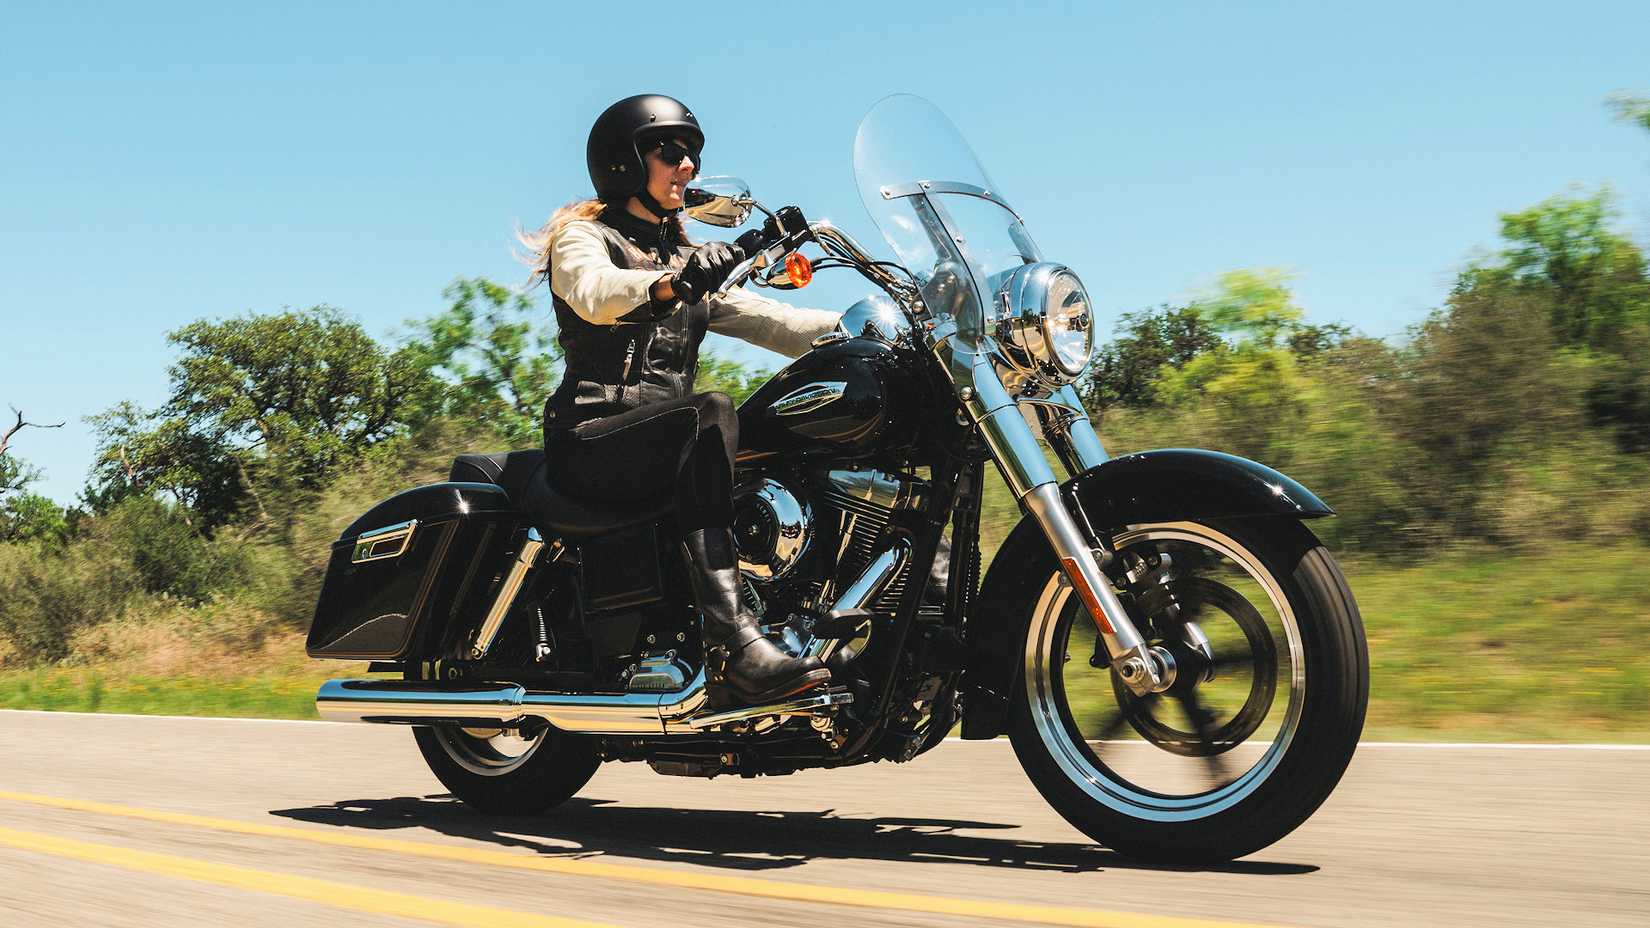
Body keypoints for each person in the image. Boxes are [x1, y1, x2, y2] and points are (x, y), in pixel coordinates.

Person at [521, 94, 839, 706]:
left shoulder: (685, 258)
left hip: (658, 439)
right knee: (712, 410)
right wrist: (669, 284)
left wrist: (872, 327)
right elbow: (595, 293)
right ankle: (734, 645)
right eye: (671, 152)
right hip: (592, 438)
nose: (688, 165)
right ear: (624, 162)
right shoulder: (584, 238)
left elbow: (772, 320)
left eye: (692, 153)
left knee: (790, 428)